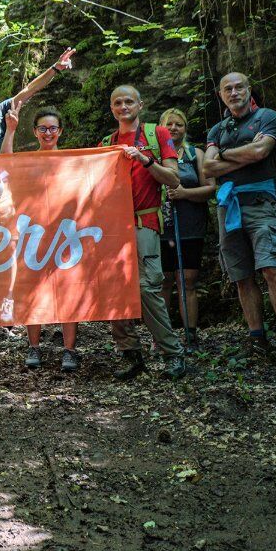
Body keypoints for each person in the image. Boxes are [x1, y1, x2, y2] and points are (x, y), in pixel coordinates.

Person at [202, 73, 276, 374]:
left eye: (239, 87)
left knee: (271, 267)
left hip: (261, 201)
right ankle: (257, 340)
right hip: (227, 205)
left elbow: (262, 151)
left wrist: (224, 155)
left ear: (249, 90)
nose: (234, 93)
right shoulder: (218, 128)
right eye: (228, 89)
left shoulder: (267, 117)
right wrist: (244, 155)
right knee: (241, 275)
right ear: (220, 94)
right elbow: (208, 167)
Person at [99, 86, 186, 380]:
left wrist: (145, 160)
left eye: (128, 101)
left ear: (140, 104)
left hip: (144, 223)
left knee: (148, 289)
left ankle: (172, 354)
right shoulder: (107, 142)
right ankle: (130, 354)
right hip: (113, 228)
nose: (123, 106)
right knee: (115, 291)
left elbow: (174, 178)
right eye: (117, 103)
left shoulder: (157, 134)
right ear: (112, 108)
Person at [1, 102, 80, 372]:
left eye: (53, 128)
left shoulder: (71, 160)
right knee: (33, 290)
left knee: (68, 291)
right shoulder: (27, 160)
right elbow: (5, 163)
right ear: (35, 132)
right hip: (33, 235)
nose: (48, 133)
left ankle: (69, 350)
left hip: (65, 235)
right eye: (43, 129)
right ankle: (33, 346)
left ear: (60, 131)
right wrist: (11, 130)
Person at [158, 108, 213, 351]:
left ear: (185, 127)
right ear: (161, 127)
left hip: (190, 225)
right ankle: (161, 336)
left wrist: (184, 193)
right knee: (163, 281)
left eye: (178, 124)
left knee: (187, 279)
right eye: (169, 124)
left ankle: (190, 335)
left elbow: (210, 188)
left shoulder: (195, 154)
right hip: (161, 226)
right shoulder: (154, 154)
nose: (173, 128)